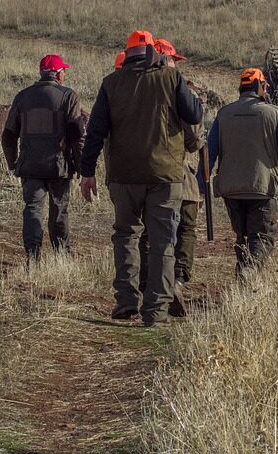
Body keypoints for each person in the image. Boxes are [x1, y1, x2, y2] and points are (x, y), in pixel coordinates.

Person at [80, 30, 203, 327]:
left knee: (126, 236)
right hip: (165, 175)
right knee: (163, 242)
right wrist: (174, 77)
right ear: (152, 53)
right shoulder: (171, 79)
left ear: (127, 54)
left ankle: (126, 301)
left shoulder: (111, 84)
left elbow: (95, 131)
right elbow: (195, 114)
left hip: (123, 176)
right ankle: (156, 311)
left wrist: (87, 173)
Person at [203, 68, 278, 279]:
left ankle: (245, 281)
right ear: (259, 87)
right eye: (265, 85)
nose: (267, 89)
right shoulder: (274, 113)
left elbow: (209, 154)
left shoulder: (223, 114)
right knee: (262, 238)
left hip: (231, 190)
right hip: (262, 188)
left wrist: (201, 187)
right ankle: (250, 271)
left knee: (243, 236)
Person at [138, 38, 205, 317]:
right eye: (174, 59)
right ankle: (175, 282)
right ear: (167, 60)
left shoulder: (139, 89)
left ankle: (146, 285)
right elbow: (193, 142)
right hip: (179, 178)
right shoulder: (181, 90)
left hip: (143, 175)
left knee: (149, 233)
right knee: (185, 230)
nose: (176, 64)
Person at [1, 54, 86, 263]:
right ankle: (62, 256)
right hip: (58, 167)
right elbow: (77, 136)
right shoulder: (68, 96)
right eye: (63, 70)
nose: (65, 74)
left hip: (30, 166)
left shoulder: (23, 96)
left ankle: (33, 256)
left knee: (32, 210)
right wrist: (81, 166)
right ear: (57, 74)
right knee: (59, 211)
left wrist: (13, 163)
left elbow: (8, 135)